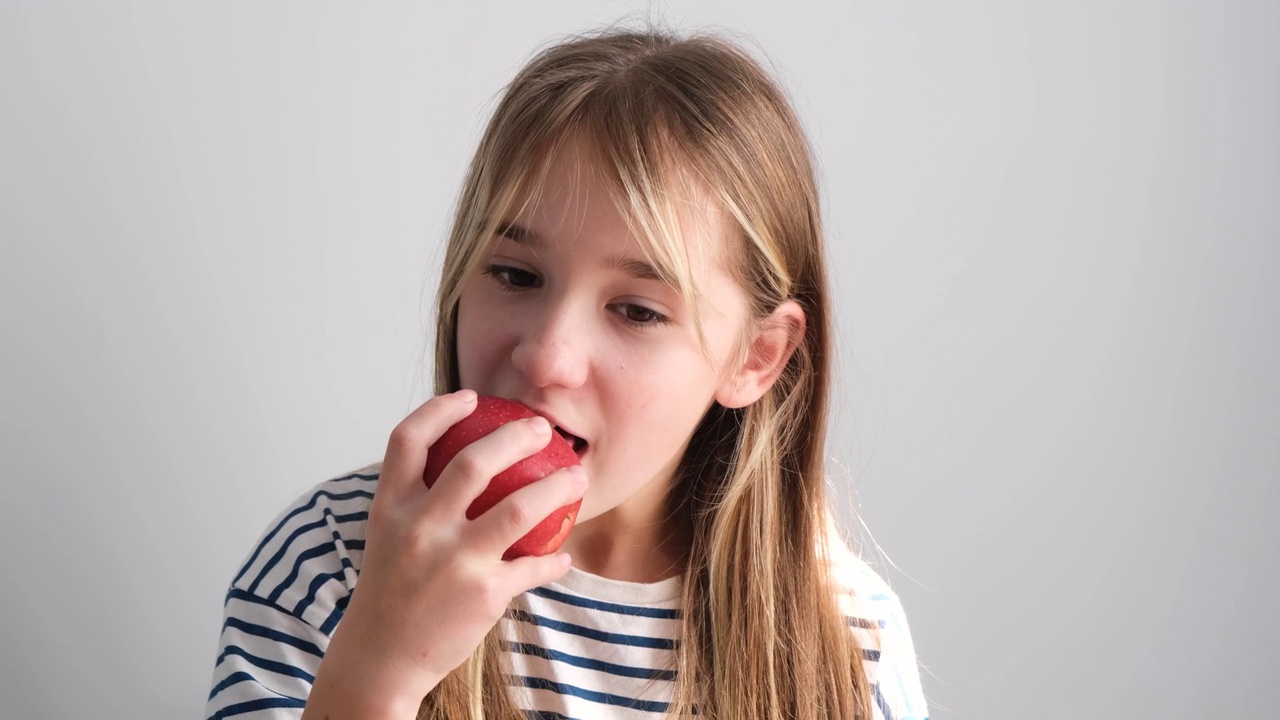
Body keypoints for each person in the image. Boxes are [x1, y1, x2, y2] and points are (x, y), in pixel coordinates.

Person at [205, 26, 928, 720]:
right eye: (516, 274)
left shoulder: (848, 646)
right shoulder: (329, 565)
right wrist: (378, 671)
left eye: (638, 311)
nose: (546, 357)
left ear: (755, 356)